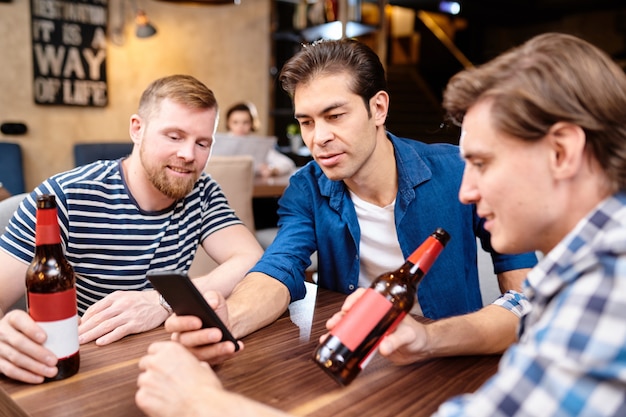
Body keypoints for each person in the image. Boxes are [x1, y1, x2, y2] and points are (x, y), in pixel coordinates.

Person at [136, 32, 626, 416]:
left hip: (452, 373)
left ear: (378, 108)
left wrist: (206, 407)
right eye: (306, 122)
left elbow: (522, 302)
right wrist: (227, 323)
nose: (319, 138)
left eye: (334, 115)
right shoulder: (307, 186)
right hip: (356, 368)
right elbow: (279, 266)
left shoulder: (603, 285)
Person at [0, 74, 264, 384]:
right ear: (137, 129)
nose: (189, 155)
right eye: (174, 136)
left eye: (202, 142)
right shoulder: (66, 197)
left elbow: (251, 257)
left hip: (161, 361)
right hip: (84, 367)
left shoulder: (201, 192)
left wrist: (160, 302)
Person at [225, 102, 296, 177]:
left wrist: (272, 170)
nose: (240, 126)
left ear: (252, 123)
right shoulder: (219, 143)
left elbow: (288, 163)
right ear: (228, 123)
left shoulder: (259, 145)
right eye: (235, 122)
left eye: (245, 122)